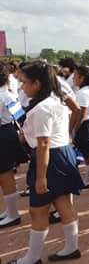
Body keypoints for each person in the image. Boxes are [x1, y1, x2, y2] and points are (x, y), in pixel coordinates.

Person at [7, 61, 84, 264]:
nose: (22, 87)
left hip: (51, 157)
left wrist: (41, 177)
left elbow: (43, 143)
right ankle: (71, 247)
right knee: (63, 203)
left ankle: (31, 258)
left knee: (38, 210)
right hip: (62, 153)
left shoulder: (42, 108)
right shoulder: (54, 100)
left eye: (25, 82)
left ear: (38, 83)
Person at [0, 62, 28, 229]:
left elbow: (20, 116)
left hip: (4, 134)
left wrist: (23, 134)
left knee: (6, 174)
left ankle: (13, 214)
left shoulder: (6, 96)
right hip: (4, 133)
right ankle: (9, 210)